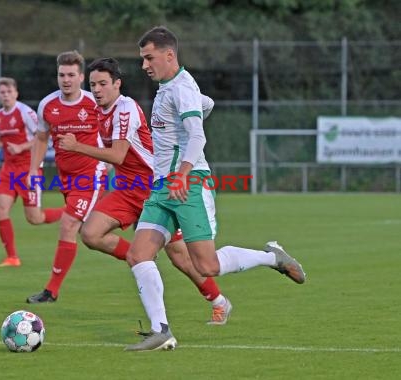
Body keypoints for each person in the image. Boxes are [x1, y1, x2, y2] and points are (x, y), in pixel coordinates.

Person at [124, 26, 306, 351]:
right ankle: (160, 330)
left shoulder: (180, 88)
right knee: (138, 255)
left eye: (149, 57)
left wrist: (182, 173)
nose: (144, 65)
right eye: (142, 59)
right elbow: (205, 103)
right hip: (162, 187)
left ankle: (271, 257)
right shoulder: (173, 88)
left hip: (188, 184)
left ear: (169, 55)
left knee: (207, 266)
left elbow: (198, 137)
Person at [58, 57, 232, 325]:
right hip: (128, 188)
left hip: (154, 186)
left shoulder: (125, 108)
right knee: (91, 234)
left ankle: (219, 302)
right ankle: (142, 256)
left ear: (117, 84)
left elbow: (117, 155)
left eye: (103, 83)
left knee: (181, 258)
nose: (97, 89)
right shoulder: (97, 110)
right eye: (93, 84)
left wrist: (76, 147)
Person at [25, 51, 107, 303]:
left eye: (71, 75)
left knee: (69, 225)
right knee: (91, 236)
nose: (66, 80)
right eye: (62, 75)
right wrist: (32, 170)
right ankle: (136, 255)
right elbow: (40, 138)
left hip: (91, 174)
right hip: (66, 178)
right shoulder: (47, 105)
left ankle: (51, 291)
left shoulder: (94, 103)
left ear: (81, 77)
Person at [0, 77, 64, 267]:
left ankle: (70, 213)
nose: (6, 95)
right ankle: (12, 257)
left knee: (35, 218)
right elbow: (0, 141)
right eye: (2, 92)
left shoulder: (26, 112)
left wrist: (22, 147)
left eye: (9, 92)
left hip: (28, 169)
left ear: (16, 93)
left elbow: (43, 137)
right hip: (8, 169)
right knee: (1, 209)